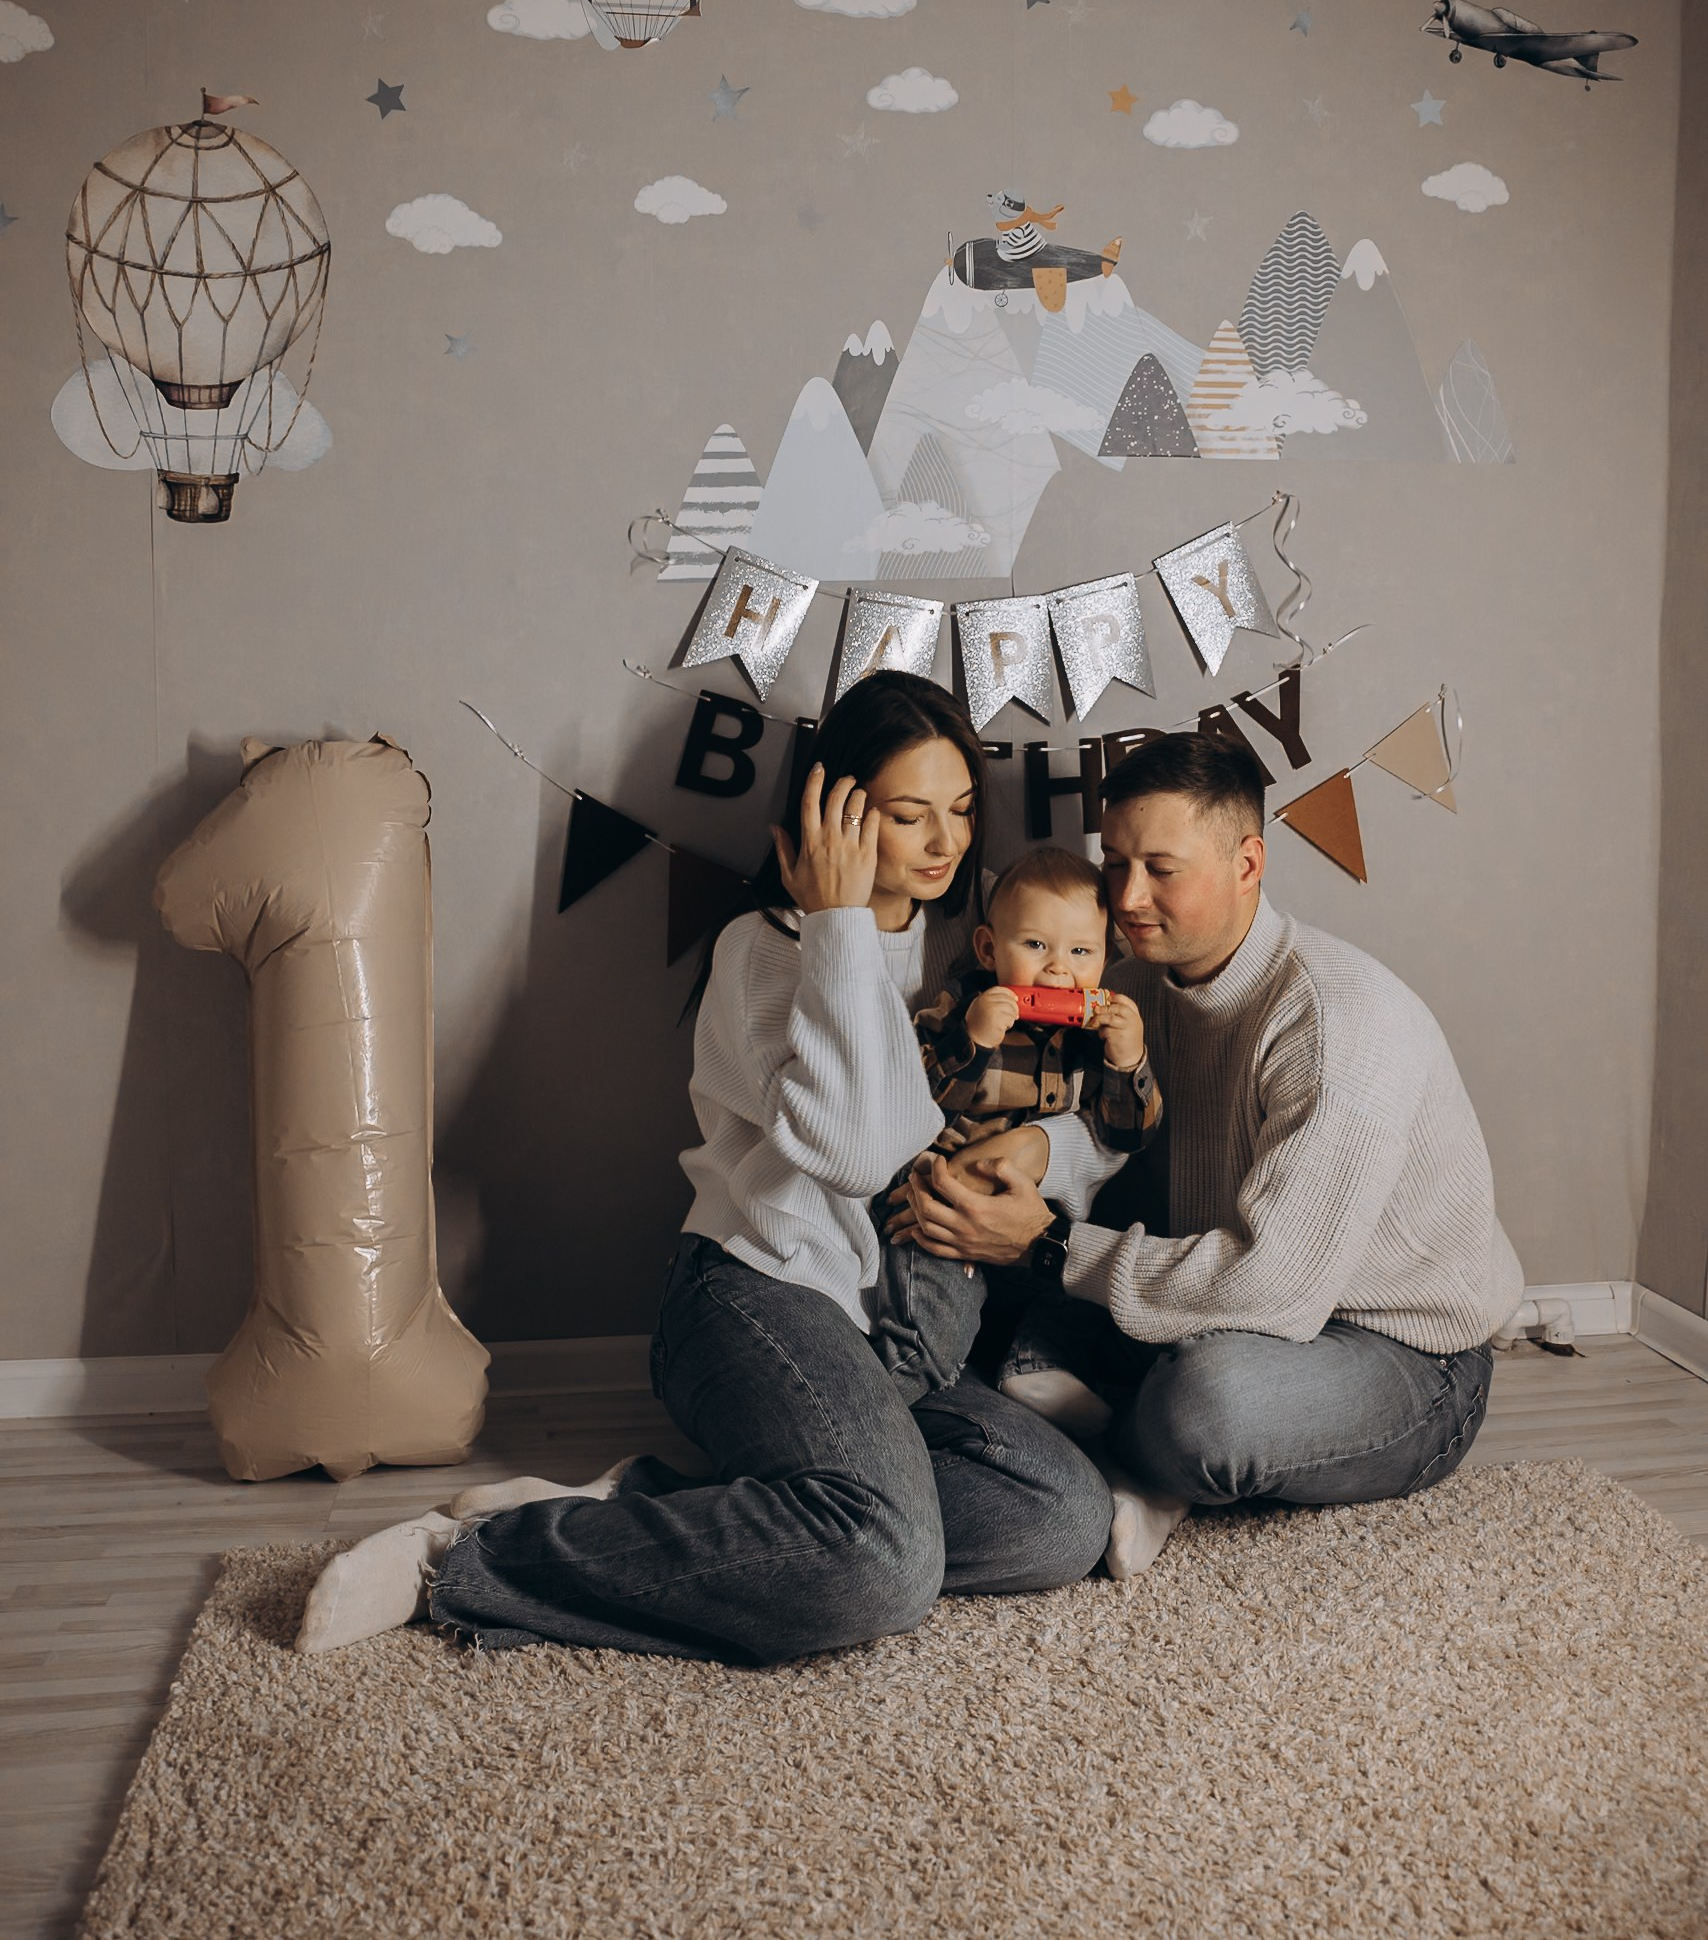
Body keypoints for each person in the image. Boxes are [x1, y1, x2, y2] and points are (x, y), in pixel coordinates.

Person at [295, 671, 1113, 1661]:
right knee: (883, 1568)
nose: (946, 842)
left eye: (962, 809)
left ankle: (673, 1505)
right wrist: (839, 924)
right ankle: (467, 1558)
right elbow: (861, 1152)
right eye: (911, 815)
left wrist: (1041, 1146)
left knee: (1061, 1518)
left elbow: (1068, 1113)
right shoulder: (761, 952)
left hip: (890, 1326)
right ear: (836, 812)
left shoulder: (967, 959)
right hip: (750, 1292)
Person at [900, 730, 1526, 1577]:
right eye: (1115, 863)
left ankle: (1127, 1458)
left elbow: (1277, 1289)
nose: (1127, 898)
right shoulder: (1128, 989)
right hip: (1219, 1294)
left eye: (1162, 869)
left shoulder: (1336, 1024)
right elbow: (1104, 1129)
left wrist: (1046, 1245)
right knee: (971, 1277)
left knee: (1206, 1409)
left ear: (1247, 863)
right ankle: (1080, 1431)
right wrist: (1031, 1154)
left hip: (1398, 1350)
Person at [868, 844, 1159, 1420]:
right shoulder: (958, 1011)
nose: (1057, 969)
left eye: (1081, 951)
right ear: (989, 948)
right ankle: (883, 1394)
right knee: (935, 1320)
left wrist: (1129, 1062)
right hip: (942, 1213)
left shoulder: (1095, 1039)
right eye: (1035, 945)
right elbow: (909, 1109)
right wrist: (973, 1041)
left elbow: (1125, 1138)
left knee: (1092, 1287)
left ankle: (1033, 1368)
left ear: (1106, 959)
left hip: (1034, 1230)